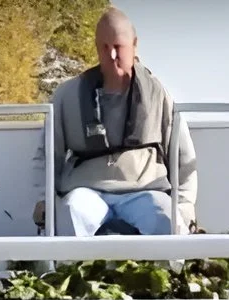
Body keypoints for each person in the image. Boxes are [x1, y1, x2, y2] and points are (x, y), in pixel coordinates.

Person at [49, 8, 197, 237]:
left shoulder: (159, 94)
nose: (112, 55)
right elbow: (48, 155)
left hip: (144, 192)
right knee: (70, 211)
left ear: (134, 44)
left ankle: (167, 272)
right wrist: (42, 200)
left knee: (168, 219)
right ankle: (71, 271)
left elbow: (184, 159)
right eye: (104, 47)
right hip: (88, 191)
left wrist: (185, 208)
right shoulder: (67, 95)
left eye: (118, 47)